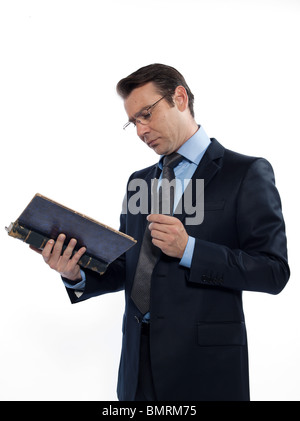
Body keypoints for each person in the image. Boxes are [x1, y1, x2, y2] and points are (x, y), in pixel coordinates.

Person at [31, 63, 290, 401]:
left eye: (146, 114)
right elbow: (130, 268)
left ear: (179, 98)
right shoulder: (139, 181)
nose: (141, 130)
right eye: (133, 121)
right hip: (137, 367)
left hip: (204, 369)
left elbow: (273, 271)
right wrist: (76, 272)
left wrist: (190, 249)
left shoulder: (245, 173)